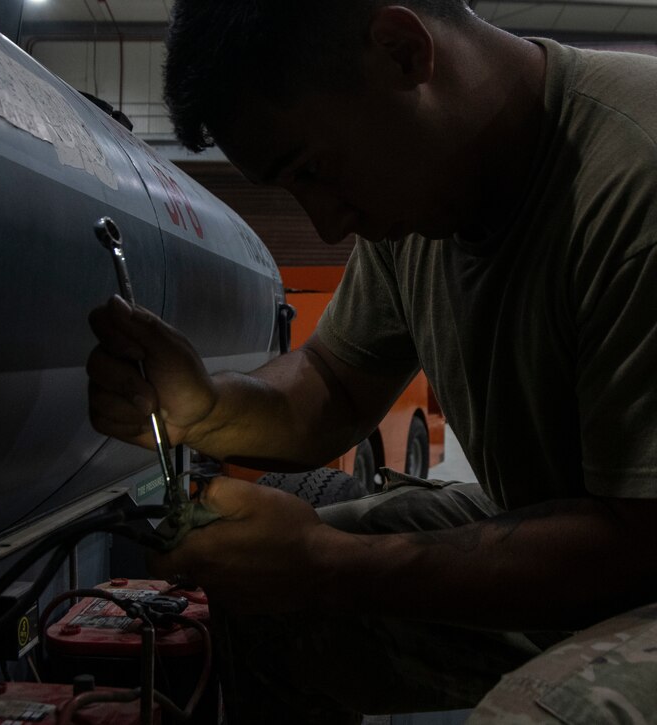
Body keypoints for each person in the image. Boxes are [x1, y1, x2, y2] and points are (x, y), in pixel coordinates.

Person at [86, 0, 657, 721]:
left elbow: (634, 545)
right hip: (595, 547)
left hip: (637, 559)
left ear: (401, 51)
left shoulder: (635, 178)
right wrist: (205, 407)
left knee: (546, 713)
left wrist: (328, 567)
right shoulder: (421, 197)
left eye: (315, 170)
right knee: (260, 591)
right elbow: (331, 385)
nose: (326, 226)